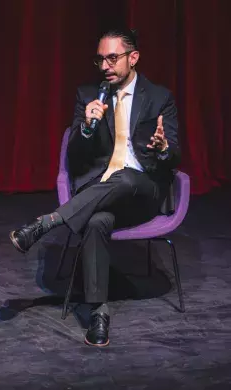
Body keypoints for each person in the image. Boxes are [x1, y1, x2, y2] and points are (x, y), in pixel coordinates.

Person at [9, 28, 180, 347]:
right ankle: (99, 312)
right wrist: (86, 129)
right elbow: (73, 156)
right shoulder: (88, 95)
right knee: (97, 222)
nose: (105, 66)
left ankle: (48, 222)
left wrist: (162, 148)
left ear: (134, 57)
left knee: (128, 177)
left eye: (112, 58)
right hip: (100, 193)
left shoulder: (159, 97)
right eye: (100, 59)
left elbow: (174, 155)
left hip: (143, 193)